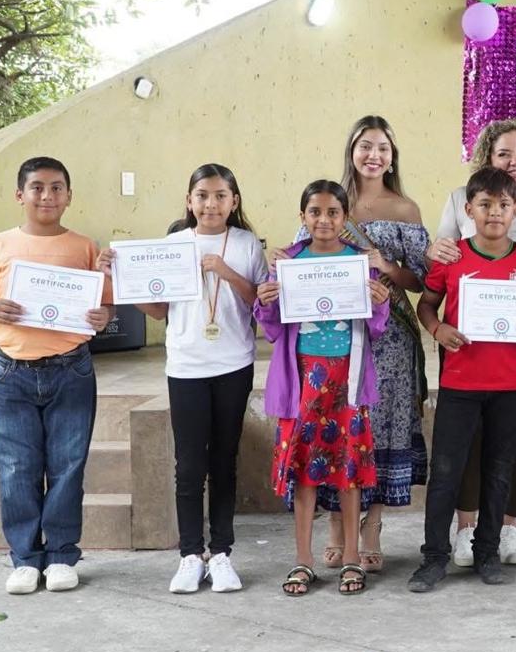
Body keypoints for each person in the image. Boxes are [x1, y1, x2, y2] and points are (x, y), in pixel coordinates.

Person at [97, 164, 266, 593]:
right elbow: (159, 310)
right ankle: (191, 555)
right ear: (189, 201)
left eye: (221, 195)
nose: (211, 204)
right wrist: (122, 278)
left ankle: (221, 553)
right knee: (189, 465)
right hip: (187, 367)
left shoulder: (246, 244)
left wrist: (226, 272)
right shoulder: (172, 246)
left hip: (233, 364)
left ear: (234, 201)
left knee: (224, 461)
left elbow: (260, 305)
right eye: (202, 195)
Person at [408, 168, 516, 593]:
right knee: (446, 472)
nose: (494, 212)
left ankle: (487, 552)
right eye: (485, 204)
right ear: (469, 209)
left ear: (515, 211)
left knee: (500, 471)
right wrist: (437, 328)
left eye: (503, 205)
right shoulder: (452, 258)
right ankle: (434, 557)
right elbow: (427, 305)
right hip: (461, 383)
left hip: (512, 385)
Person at [0, 156, 112, 594]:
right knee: (16, 468)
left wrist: (103, 316)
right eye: (37, 187)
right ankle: (26, 559)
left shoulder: (85, 247)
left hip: (70, 368)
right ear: (20, 195)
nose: (47, 196)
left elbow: (103, 307)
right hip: (9, 373)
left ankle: (62, 555)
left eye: (56, 188)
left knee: (68, 465)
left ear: (69, 196)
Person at [303, 116, 430, 578]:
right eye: (365, 146)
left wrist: (387, 267)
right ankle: (338, 522)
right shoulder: (331, 203)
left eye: (383, 148)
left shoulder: (406, 209)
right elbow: (303, 263)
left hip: (391, 338)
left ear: (392, 157)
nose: (374, 155)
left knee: (381, 428)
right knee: (341, 425)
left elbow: (422, 281)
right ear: (352, 151)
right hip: (336, 336)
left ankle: (372, 525)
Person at [255, 180, 390, 596]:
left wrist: (380, 301)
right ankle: (303, 559)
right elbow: (273, 329)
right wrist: (266, 300)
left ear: (345, 217)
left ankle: (351, 557)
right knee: (304, 471)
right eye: (315, 212)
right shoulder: (288, 262)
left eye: (333, 212)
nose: (324, 220)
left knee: (348, 469)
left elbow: (376, 328)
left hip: (347, 379)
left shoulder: (360, 263)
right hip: (302, 381)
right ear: (303, 217)